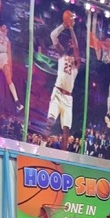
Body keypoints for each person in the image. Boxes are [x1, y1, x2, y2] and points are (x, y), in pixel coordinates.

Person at [42, 18, 81, 151]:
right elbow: (53, 35)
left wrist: (71, 29)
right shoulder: (62, 55)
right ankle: (41, 147)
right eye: (69, 42)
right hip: (58, 92)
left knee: (66, 131)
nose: (71, 44)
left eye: (72, 43)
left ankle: (63, 157)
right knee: (50, 122)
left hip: (68, 98)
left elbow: (76, 46)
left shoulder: (77, 63)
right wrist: (63, 26)